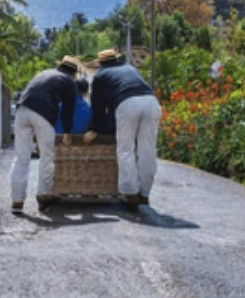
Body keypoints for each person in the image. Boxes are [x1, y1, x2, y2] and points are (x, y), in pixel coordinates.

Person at [83, 49, 160, 211]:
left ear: (101, 63)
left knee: (126, 149)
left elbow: (98, 107)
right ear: (116, 60)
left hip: (127, 103)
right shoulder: (130, 68)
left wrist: (94, 129)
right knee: (147, 149)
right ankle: (145, 193)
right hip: (151, 101)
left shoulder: (100, 75)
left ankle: (130, 192)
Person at [9, 56, 79, 213]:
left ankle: (17, 201)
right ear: (74, 72)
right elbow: (68, 110)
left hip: (22, 110)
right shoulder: (69, 81)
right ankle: (43, 196)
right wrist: (67, 132)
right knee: (46, 157)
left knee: (21, 157)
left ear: (60, 65)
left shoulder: (45, 73)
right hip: (43, 114)